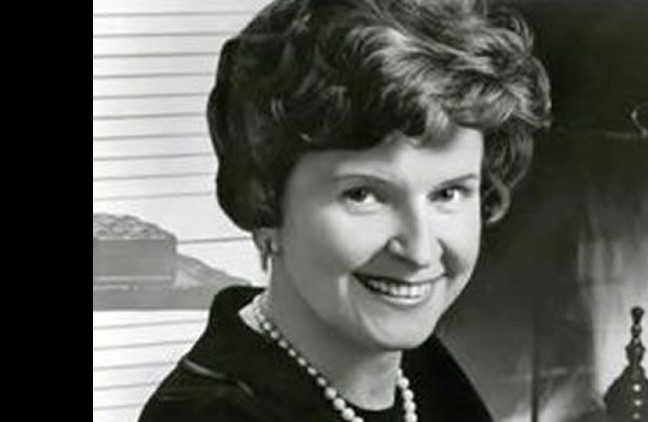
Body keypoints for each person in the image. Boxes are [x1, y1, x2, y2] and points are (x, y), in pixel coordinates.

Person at [139, 0, 550, 420]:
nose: (420, 251)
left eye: (447, 194)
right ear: (266, 203)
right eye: (363, 195)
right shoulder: (210, 414)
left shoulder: (422, 367)